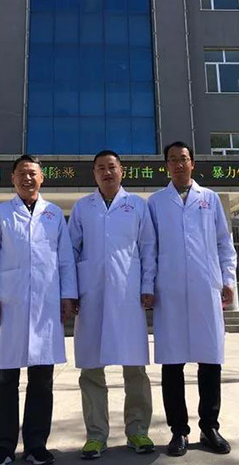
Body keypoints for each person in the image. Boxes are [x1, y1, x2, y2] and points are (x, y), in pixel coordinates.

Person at [0, 154, 78, 465]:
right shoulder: (1, 213)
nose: (27, 178)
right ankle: (3, 447)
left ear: (42, 178)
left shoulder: (53, 214)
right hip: (10, 304)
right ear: (13, 179)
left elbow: (65, 259)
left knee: (42, 379)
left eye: (33, 173)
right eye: (21, 173)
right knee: (6, 378)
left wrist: (68, 296)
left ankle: (36, 445)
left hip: (46, 306)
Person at [148, 141, 237, 457]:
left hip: (204, 288)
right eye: (172, 160)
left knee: (210, 360)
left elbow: (224, 242)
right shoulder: (156, 202)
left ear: (192, 163)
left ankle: (209, 427)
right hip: (169, 291)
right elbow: (149, 249)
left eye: (183, 158)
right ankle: (178, 431)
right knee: (172, 363)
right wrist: (148, 285)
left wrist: (227, 279)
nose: (178, 164)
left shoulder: (209, 199)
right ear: (166, 166)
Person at [68, 150, 157, 459]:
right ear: (94, 173)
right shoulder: (83, 207)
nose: (107, 172)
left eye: (111, 167)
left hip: (128, 295)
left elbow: (148, 248)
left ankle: (138, 431)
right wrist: (71, 291)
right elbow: (70, 251)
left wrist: (148, 286)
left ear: (122, 171)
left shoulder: (138, 206)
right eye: (100, 168)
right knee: (91, 370)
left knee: (135, 368)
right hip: (90, 296)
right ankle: (96, 435)